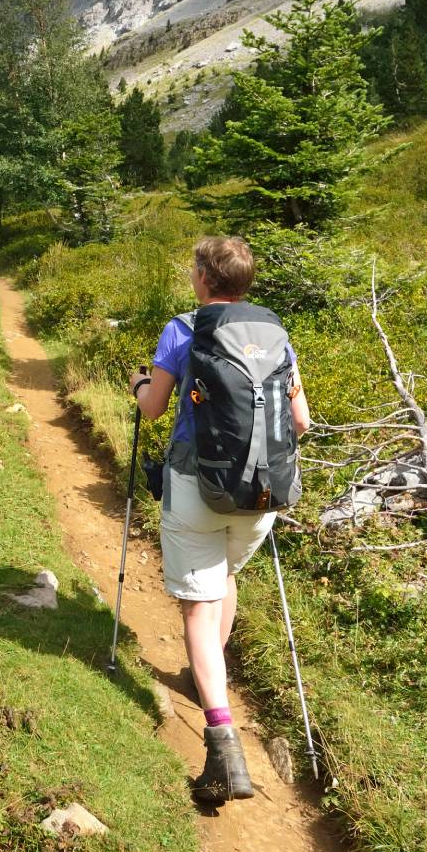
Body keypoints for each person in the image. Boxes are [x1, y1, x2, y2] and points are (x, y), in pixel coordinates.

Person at [129, 234, 311, 806]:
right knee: (224, 579)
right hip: (263, 493)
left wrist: (138, 384)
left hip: (196, 487)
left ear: (206, 278)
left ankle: (222, 741)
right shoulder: (275, 334)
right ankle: (212, 675)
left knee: (198, 606)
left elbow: (155, 407)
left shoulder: (183, 329)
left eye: (194, 267)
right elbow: (301, 421)